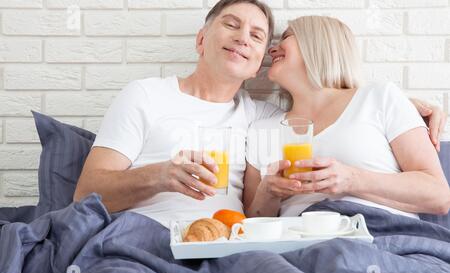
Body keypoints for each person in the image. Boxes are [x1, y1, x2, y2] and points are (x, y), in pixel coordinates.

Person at [74, 0, 446, 228]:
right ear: (202, 40)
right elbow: (84, 196)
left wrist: (401, 104)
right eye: (232, 25)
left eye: (259, 37)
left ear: (257, 66)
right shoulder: (147, 95)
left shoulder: (258, 117)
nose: (246, 40)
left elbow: (438, 195)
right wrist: (161, 175)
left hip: (242, 243)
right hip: (152, 234)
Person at [244, 16, 450, 220]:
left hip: (378, 235)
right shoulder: (261, 129)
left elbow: (439, 196)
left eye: (286, 37)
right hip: (297, 242)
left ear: (319, 43)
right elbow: (251, 225)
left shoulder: (379, 97)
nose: (272, 50)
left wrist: (352, 179)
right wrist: (268, 193)